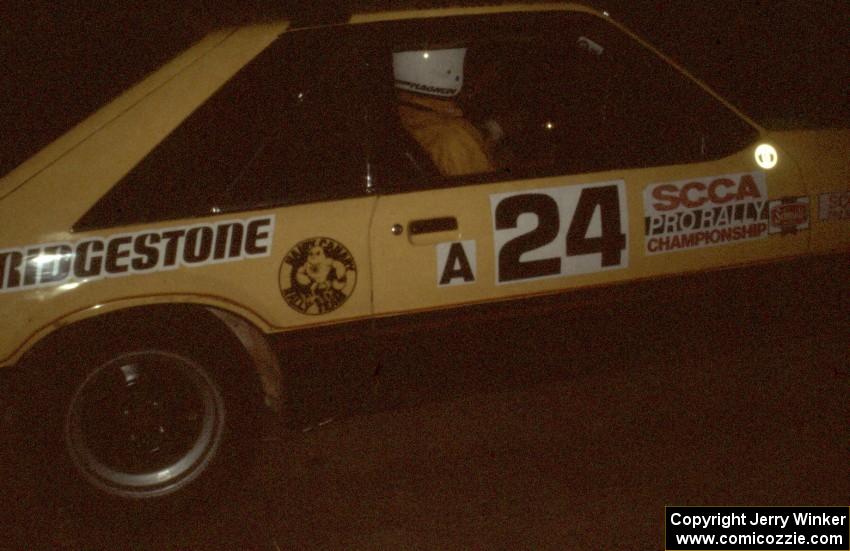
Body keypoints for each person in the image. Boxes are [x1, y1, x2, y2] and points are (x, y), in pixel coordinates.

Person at [393, 47, 494, 177]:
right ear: (446, 71)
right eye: (469, 66)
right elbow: (485, 191)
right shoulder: (453, 139)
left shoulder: (405, 114)